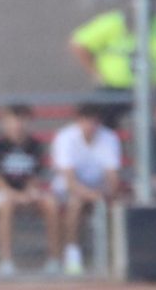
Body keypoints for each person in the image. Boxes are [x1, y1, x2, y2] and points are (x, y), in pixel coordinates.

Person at [70, 0, 156, 128]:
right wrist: (96, 73)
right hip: (116, 89)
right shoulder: (113, 23)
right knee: (96, 110)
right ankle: (110, 146)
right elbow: (79, 44)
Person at [0, 105, 61, 276]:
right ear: (4, 123)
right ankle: (6, 262)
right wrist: (15, 195)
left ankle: (54, 259)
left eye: (21, 120)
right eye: (12, 120)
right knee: (6, 205)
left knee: (50, 204)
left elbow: (36, 175)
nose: (17, 124)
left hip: (28, 192)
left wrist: (28, 193)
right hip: (4, 193)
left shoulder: (34, 144)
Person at [50, 103, 122, 276]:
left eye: (93, 122)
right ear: (78, 122)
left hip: (99, 188)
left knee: (118, 205)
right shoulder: (65, 138)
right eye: (86, 122)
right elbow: (69, 180)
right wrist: (91, 195)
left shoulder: (109, 138)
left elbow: (112, 176)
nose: (90, 126)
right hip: (68, 189)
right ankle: (72, 255)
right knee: (75, 204)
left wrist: (107, 194)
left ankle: (114, 257)